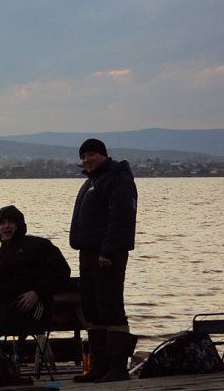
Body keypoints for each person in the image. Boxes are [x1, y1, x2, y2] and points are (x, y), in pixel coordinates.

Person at [70, 138, 138, 383]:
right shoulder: (91, 181)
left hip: (108, 255)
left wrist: (108, 251)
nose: (86, 159)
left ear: (103, 155)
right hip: (87, 253)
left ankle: (117, 367)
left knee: (111, 308)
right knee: (93, 309)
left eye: (91, 154)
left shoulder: (118, 179)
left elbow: (122, 218)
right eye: (83, 156)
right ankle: (98, 366)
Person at [0, 205, 71, 346]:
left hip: (37, 310)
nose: (6, 226)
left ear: (19, 225)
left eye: (11, 222)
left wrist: (37, 293)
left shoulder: (39, 246)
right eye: (2, 223)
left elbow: (62, 272)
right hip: (10, 309)